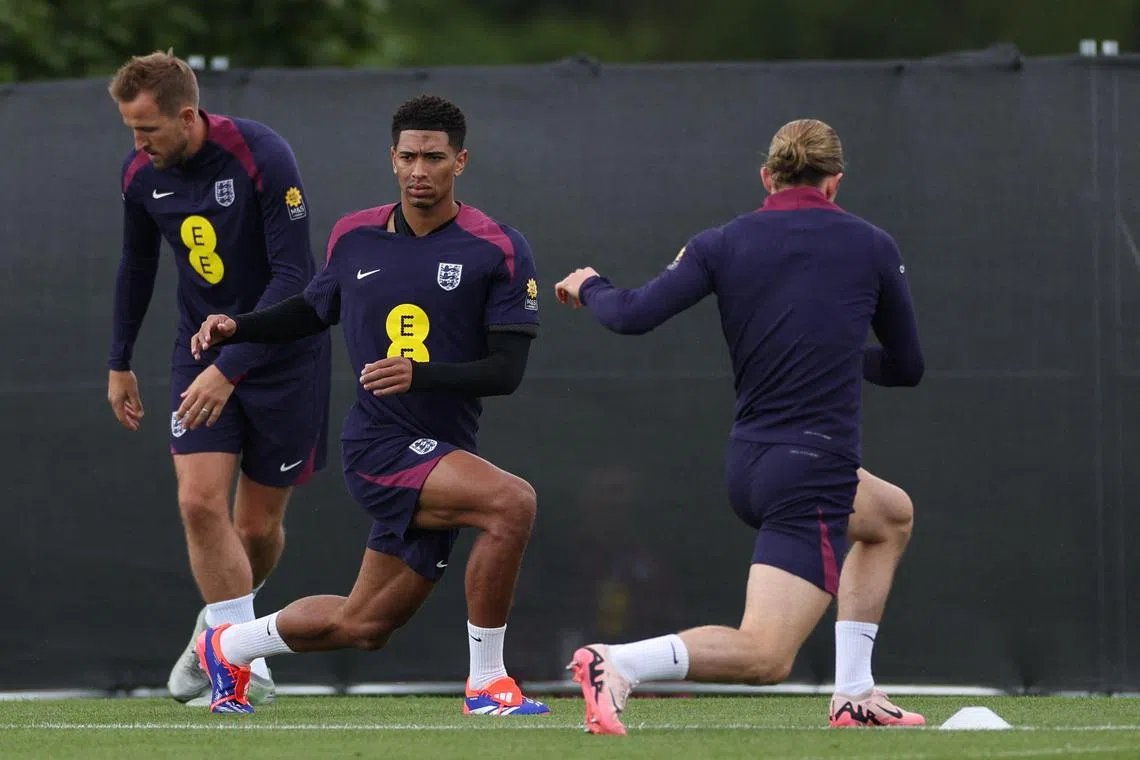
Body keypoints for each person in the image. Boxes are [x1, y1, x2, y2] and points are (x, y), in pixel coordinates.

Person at [554, 118, 926, 735]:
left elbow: (633, 315)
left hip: (752, 464)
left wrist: (592, 285)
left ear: (766, 176)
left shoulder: (721, 242)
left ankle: (855, 694)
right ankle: (617, 663)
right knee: (765, 656)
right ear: (835, 183)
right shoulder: (872, 245)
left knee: (889, 516)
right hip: (813, 470)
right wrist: (834, 352)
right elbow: (906, 367)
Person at [184, 95, 550, 716]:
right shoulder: (354, 235)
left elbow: (506, 372)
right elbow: (308, 310)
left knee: (363, 626)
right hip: (379, 448)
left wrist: (422, 372)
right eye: (407, 156)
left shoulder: (498, 248)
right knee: (511, 504)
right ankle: (488, 684)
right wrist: (236, 328)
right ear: (392, 158)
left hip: (443, 449)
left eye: (434, 157)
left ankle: (229, 644)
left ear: (460, 161)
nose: (419, 170)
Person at [105, 50, 332, 706]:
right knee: (199, 503)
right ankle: (240, 666)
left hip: (283, 356)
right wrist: (119, 360)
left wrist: (233, 367)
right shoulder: (140, 175)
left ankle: (216, 632)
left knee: (255, 529)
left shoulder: (261, 155)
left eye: (147, 129)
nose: (137, 143)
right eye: (129, 129)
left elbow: (295, 276)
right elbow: (136, 266)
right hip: (198, 354)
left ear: (186, 115)